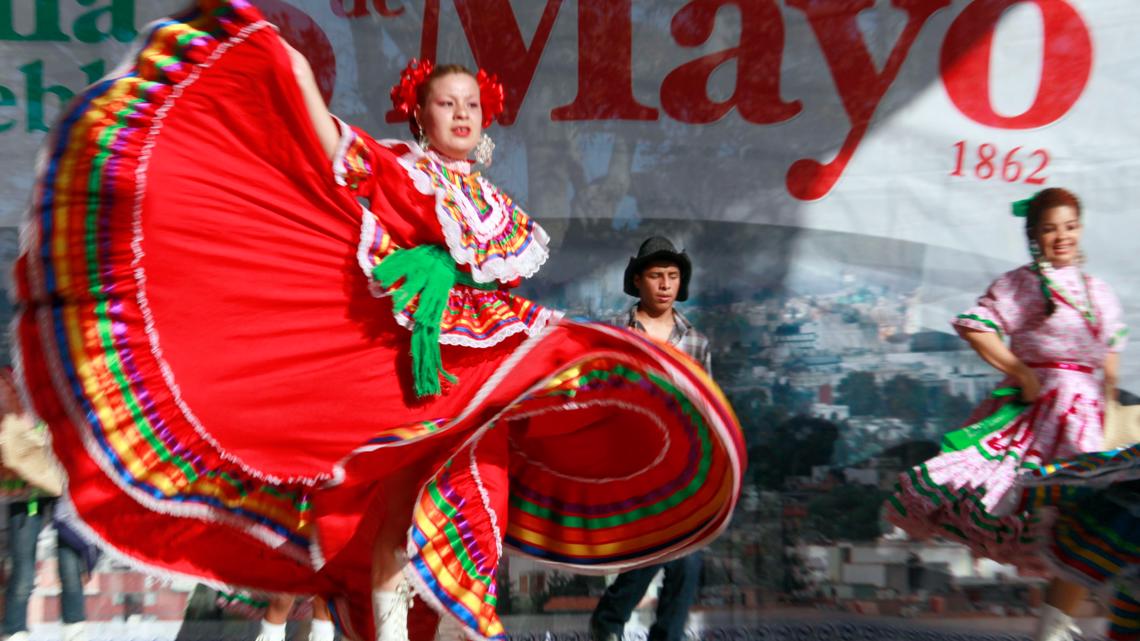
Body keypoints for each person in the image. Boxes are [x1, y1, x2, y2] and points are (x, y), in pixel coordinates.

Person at [11, 2, 746, 641]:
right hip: (410, 362)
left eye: (471, 105)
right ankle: (388, 625)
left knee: (479, 488)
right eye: (446, 103)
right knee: (398, 502)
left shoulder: (492, 208)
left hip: (481, 356)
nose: (460, 114)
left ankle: (463, 622)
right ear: (418, 113)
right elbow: (334, 148)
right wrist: (287, 64)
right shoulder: (402, 170)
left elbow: (495, 268)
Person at [885, 188, 1127, 641]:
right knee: (1047, 511)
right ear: (1035, 234)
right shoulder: (1024, 283)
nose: (1062, 236)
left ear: (1081, 229)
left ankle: (1055, 627)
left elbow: (1109, 361)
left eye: (1070, 227)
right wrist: (1020, 370)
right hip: (1045, 414)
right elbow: (978, 326)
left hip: (1091, 419)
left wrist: (1113, 410)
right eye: (1051, 228)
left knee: (1086, 520)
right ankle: (1052, 628)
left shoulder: (1100, 292)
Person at [589, 237, 708, 641]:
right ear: (637, 279)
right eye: (656, 275)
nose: (664, 284)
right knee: (649, 550)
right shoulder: (617, 335)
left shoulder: (697, 342)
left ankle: (658, 634)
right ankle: (608, 622)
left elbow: (708, 408)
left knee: (687, 561)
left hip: (682, 463)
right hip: (632, 462)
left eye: (673, 276)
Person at [0, 371, 88, 641]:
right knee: (24, 567)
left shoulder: (61, 373)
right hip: (25, 489)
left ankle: (74, 627)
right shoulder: (8, 382)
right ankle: (15, 629)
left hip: (62, 483)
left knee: (69, 564)